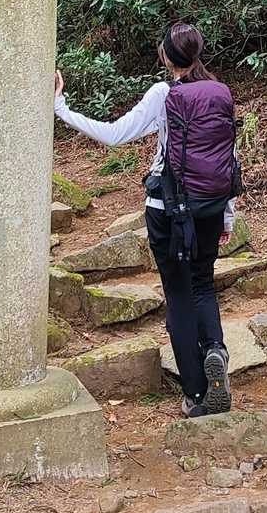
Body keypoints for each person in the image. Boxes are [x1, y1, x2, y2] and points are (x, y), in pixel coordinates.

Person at [53, 22, 237, 418]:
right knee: (203, 285)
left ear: (166, 57)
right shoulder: (218, 92)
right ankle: (215, 349)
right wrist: (227, 215)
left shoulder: (163, 94)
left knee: (178, 297)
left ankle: (197, 395)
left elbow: (114, 134)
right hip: (210, 207)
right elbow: (228, 159)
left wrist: (60, 108)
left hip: (167, 211)